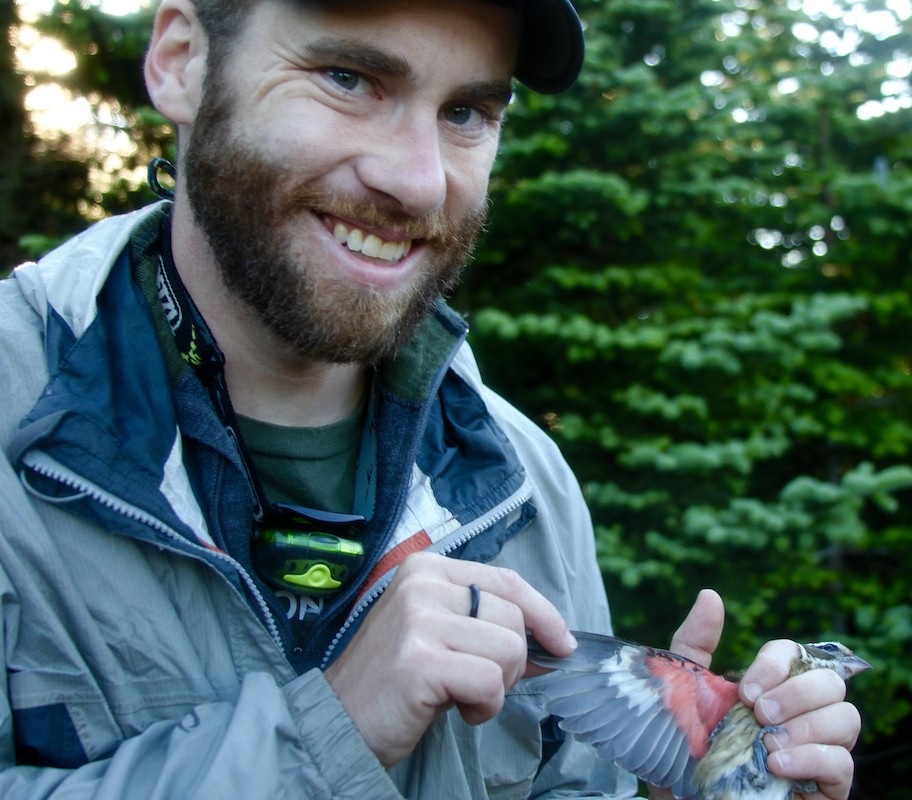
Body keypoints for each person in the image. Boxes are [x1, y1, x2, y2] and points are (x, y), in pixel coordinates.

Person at [0, 0, 862, 797]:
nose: (418, 182)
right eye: (348, 78)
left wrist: (719, 779)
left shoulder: (524, 484)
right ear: (182, 61)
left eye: (466, 114)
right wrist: (326, 737)